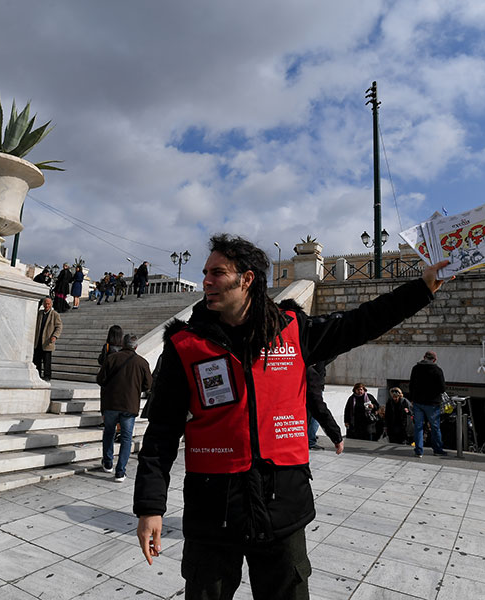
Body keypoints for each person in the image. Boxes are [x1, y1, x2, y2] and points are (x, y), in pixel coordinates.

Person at [133, 234, 450, 599]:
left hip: (282, 504)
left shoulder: (294, 331)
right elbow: (161, 432)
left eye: (217, 273)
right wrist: (150, 507)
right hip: (213, 512)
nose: (206, 280)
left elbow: (362, 322)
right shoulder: (184, 346)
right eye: (205, 272)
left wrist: (423, 288)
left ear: (247, 279)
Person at [97, 334, 152, 483]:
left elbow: (100, 379)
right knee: (126, 438)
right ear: (136, 346)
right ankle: (120, 471)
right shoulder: (142, 362)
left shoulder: (112, 358)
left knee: (109, 432)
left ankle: (108, 462)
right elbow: (148, 385)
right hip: (129, 405)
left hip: (111, 403)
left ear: (122, 344)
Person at [409, 351, 447, 457]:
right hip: (432, 404)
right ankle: (437, 449)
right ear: (434, 360)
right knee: (435, 427)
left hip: (418, 402)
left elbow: (411, 385)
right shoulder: (437, 371)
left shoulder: (415, 369)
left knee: (418, 427)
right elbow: (442, 388)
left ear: (424, 357)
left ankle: (419, 450)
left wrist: (412, 398)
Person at [305, 362, 344, 452]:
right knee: (314, 416)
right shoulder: (313, 366)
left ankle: (309, 438)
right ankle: (310, 440)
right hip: (314, 386)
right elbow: (319, 410)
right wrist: (336, 437)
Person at [33, 297, 62, 381]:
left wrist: (55, 336)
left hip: (47, 341)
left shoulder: (55, 314)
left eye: (48, 304)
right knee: (37, 360)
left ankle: (47, 376)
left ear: (51, 304)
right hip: (38, 341)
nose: (47, 305)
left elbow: (59, 327)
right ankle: (37, 375)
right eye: (45, 303)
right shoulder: (40, 313)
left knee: (47, 361)